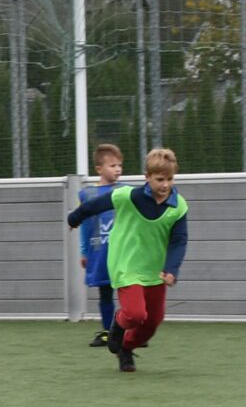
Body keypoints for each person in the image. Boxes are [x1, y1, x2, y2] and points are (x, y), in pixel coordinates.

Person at [65, 145, 189, 373]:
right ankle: (118, 323)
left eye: (170, 179)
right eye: (160, 179)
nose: (165, 185)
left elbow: (179, 240)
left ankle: (126, 348)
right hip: (126, 264)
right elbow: (95, 205)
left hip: (155, 271)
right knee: (135, 314)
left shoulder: (178, 205)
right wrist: (74, 218)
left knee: (152, 323)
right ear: (147, 177)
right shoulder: (128, 196)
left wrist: (172, 269)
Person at [77, 141, 123, 346]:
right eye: (112, 165)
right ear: (99, 169)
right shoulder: (88, 195)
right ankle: (108, 332)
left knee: (128, 291)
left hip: (122, 253)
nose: (118, 169)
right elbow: (85, 225)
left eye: (119, 165)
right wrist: (84, 251)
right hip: (100, 253)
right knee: (105, 292)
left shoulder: (125, 191)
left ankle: (130, 330)